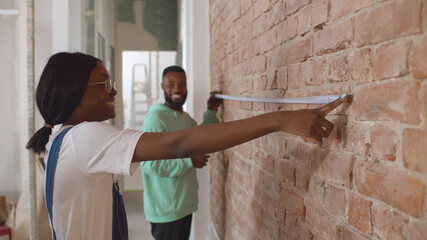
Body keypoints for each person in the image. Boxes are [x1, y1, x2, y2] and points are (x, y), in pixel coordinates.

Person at [26, 52, 347, 240]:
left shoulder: (63, 139)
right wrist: (279, 120)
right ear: (76, 92)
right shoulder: (85, 137)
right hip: (166, 210)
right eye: (105, 84)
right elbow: (180, 144)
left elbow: (194, 134)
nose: (113, 92)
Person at [140, 66, 222, 240]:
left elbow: (201, 139)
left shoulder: (185, 119)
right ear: (162, 86)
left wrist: (211, 112)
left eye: (182, 84)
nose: (177, 89)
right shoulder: (156, 119)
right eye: (171, 84)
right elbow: (149, 164)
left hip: (183, 205)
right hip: (166, 210)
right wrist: (189, 162)